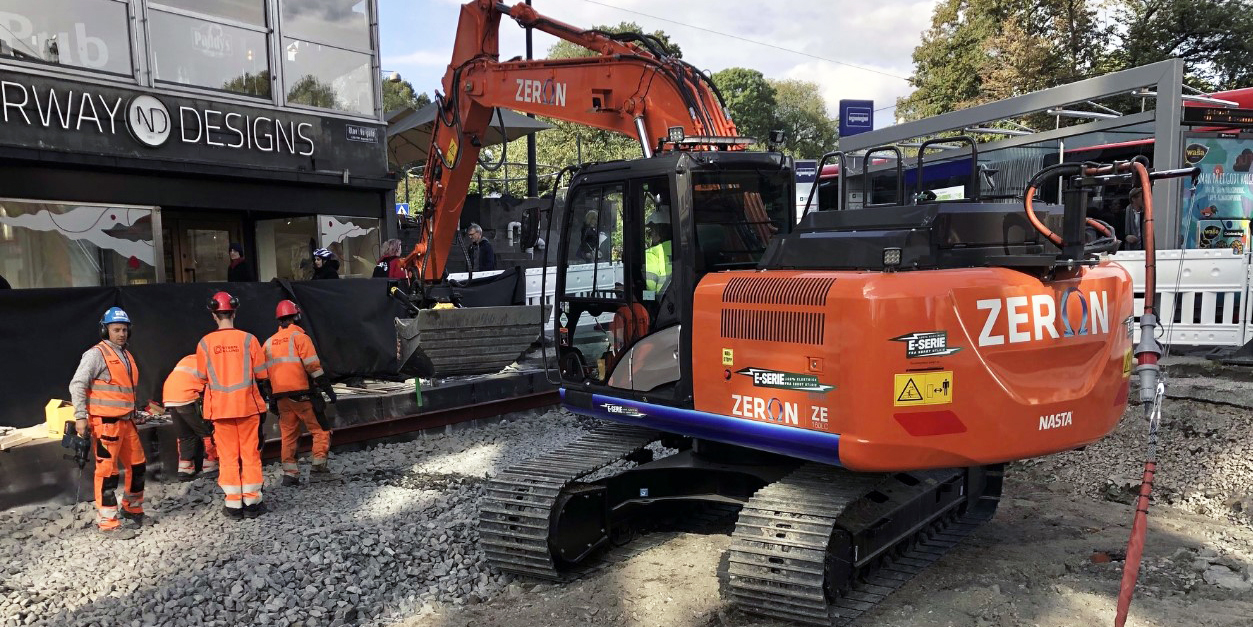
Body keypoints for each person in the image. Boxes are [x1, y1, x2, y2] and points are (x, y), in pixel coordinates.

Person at [69, 307, 145, 537]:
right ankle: (108, 522)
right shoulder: (96, 354)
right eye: (116, 329)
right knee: (107, 472)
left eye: (124, 330)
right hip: (106, 424)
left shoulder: (126, 355)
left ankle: (132, 509)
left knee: (138, 465)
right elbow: (78, 384)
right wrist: (80, 416)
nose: (121, 334)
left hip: (125, 421)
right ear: (105, 330)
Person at [196, 291, 271, 520]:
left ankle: (233, 505)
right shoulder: (249, 340)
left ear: (213, 315)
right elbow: (261, 374)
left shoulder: (205, 343)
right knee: (250, 455)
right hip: (248, 408)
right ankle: (252, 503)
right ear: (235, 311)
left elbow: (201, 377)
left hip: (219, 410)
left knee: (228, 457)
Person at [264, 300, 336, 486]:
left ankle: (290, 474)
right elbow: (313, 367)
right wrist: (327, 388)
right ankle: (318, 469)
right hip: (303, 395)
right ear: (296, 317)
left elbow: (264, 375)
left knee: (288, 435)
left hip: (281, 398)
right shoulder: (300, 337)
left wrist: (271, 397)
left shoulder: (269, 343)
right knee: (320, 430)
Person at [162, 354, 218, 481]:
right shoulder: (210, 361)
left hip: (170, 396)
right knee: (206, 432)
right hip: (188, 396)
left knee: (185, 435)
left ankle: (185, 468)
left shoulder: (189, 359)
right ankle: (210, 464)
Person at [643, 210, 672, 293]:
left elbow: (650, 291)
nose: (651, 235)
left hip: (662, 303)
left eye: (651, 231)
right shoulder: (684, 249)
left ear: (656, 233)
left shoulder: (652, 253)